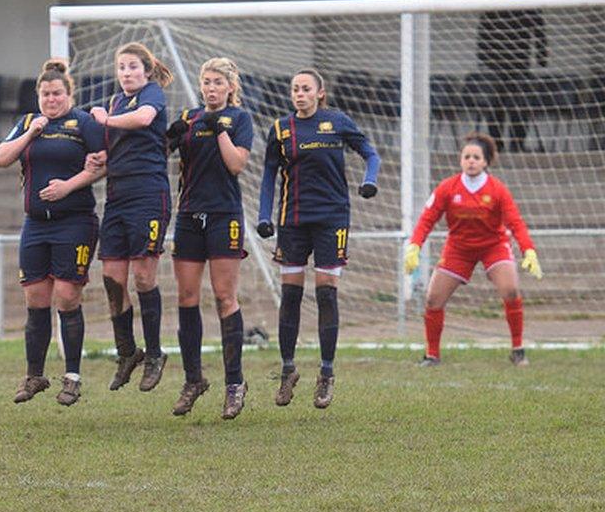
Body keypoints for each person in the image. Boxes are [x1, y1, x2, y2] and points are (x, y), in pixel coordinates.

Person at [257, 68, 381, 410]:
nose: (299, 94)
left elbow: (370, 152)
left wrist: (370, 180)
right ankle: (288, 370)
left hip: (332, 219)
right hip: (293, 220)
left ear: (319, 93)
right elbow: (269, 174)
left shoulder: (337, 122)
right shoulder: (281, 129)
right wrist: (264, 215)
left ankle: (326, 374)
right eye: (295, 88)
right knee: (291, 295)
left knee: (326, 293)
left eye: (306, 88)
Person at [0, 60, 107, 406]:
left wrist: (69, 186)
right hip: (35, 225)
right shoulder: (28, 123)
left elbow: (106, 163)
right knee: (35, 299)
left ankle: (72, 377)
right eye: (45, 94)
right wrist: (31, 133)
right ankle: (34, 375)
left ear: (69, 94)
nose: (51, 99)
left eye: (57, 93)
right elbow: (0, 158)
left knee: (67, 296)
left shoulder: (83, 123)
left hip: (74, 221)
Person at [404, 132, 543, 367]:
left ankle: (518, 350)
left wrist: (528, 250)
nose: (471, 161)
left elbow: (515, 222)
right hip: (459, 249)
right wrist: (414, 245)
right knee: (433, 299)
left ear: (486, 162)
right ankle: (432, 355)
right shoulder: (448, 187)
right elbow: (427, 218)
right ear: (460, 160)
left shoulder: (497, 190)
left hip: (493, 246)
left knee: (510, 290)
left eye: (476, 157)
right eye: (466, 156)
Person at [164, 57, 253, 419]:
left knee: (223, 297)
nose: (211, 87)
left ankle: (235, 384)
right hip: (188, 217)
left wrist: (219, 130)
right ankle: (193, 379)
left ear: (230, 86)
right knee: (186, 297)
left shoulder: (239, 120)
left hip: (224, 217)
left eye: (218, 82)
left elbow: (236, 164)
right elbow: (156, 150)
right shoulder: (187, 119)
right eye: (207, 81)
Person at [87, 42, 173, 392]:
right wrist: (99, 159)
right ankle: (127, 352)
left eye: (133, 67)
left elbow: (144, 120)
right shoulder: (116, 101)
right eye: (121, 67)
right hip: (118, 195)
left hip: (148, 194)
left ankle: (154, 353)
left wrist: (106, 120)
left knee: (142, 275)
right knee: (111, 277)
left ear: (147, 70)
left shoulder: (152, 95)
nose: (126, 73)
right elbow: (117, 143)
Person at [477, 0, 546, 152]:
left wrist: (541, 55)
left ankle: (517, 143)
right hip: (495, 62)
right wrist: (483, 55)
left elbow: (538, 27)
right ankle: (497, 144)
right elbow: (484, 27)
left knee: (519, 106)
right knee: (496, 105)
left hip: (519, 61)